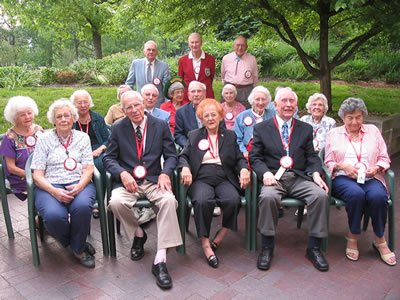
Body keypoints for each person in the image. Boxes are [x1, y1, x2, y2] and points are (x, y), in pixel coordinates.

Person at [103, 91, 182, 289]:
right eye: (129, 107)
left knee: (169, 201)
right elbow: (108, 158)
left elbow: (172, 155)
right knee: (114, 202)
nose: (134, 110)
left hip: (155, 179)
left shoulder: (160, 125)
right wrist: (122, 174)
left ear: (143, 104)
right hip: (129, 182)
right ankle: (139, 234)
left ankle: (160, 260)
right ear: (123, 110)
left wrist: (165, 173)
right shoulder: (118, 128)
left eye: (137, 105)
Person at [249, 87, 330, 272]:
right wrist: (265, 174)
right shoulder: (261, 128)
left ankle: (314, 247)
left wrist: (316, 174)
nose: (288, 104)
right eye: (283, 101)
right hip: (274, 178)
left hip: (299, 177)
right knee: (268, 198)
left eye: (291, 101)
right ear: (275, 105)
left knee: (320, 196)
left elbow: (312, 157)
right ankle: (267, 247)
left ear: (296, 105)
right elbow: (255, 157)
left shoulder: (305, 128)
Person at [324, 97, 396, 266]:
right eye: (350, 117)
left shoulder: (373, 131)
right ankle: (353, 236)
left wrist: (377, 168)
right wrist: (342, 166)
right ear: (343, 118)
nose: (354, 122)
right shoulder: (334, 134)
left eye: (358, 117)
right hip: (343, 178)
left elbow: (384, 157)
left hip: (370, 177)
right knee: (356, 194)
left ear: (363, 116)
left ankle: (380, 240)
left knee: (378, 197)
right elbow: (328, 162)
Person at [179, 99, 250, 268]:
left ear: (220, 116)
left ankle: (222, 233)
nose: (210, 118)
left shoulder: (229, 135)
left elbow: (239, 158)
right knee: (203, 201)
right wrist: (185, 169)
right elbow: (183, 156)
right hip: (201, 176)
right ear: (202, 119)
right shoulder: (194, 135)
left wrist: (244, 169)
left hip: (224, 175)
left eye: (213, 115)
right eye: (206, 116)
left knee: (233, 200)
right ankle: (205, 243)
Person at [31, 99, 96, 268]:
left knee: (81, 208)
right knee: (54, 216)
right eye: (59, 116)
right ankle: (76, 243)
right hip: (49, 185)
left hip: (79, 182)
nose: (63, 119)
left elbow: (89, 168)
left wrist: (80, 186)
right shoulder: (44, 139)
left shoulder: (83, 138)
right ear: (53, 120)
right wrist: (54, 191)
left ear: (74, 118)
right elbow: (37, 174)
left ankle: (79, 251)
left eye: (67, 115)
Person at [70, 89, 110, 219]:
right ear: (74, 105)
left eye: (85, 102)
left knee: (101, 165)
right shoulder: (70, 120)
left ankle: (98, 202)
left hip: (98, 150)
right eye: (79, 103)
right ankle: (83, 201)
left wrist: (100, 149)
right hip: (77, 152)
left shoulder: (97, 118)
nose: (82, 105)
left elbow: (107, 139)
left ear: (89, 103)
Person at [0, 96, 43, 201]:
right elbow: (11, 167)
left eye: (29, 113)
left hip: (42, 174)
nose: (27, 117)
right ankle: (39, 215)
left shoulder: (39, 131)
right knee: (47, 192)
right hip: (23, 179)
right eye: (22, 115)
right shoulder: (10, 137)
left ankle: (42, 215)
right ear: (14, 118)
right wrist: (33, 175)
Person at [234, 86, 275, 159]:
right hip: (247, 152)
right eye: (257, 99)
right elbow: (237, 139)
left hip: (268, 152)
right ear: (252, 101)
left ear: (267, 101)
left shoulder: (273, 115)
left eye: (263, 99)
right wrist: (244, 151)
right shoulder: (242, 116)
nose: (260, 102)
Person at [125, 40, 170, 107]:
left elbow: (167, 88)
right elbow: (129, 84)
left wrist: (167, 104)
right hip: (139, 104)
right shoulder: (136, 64)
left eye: (153, 50)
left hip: (158, 105)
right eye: (148, 50)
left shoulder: (163, 66)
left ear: (157, 52)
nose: (151, 52)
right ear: (144, 51)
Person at [221, 36, 258, 109]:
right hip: (229, 89)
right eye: (238, 45)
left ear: (246, 47)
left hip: (245, 90)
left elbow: (255, 77)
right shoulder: (226, 58)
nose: (240, 48)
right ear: (233, 46)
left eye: (243, 45)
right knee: (226, 112)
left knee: (246, 114)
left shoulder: (252, 59)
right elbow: (223, 75)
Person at [178, 33, 215, 101]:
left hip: (206, 96)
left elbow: (211, 77)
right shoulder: (182, 60)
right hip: (188, 98)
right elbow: (181, 80)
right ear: (189, 44)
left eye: (196, 42)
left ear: (201, 43)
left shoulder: (210, 59)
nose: (194, 45)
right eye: (192, 42)